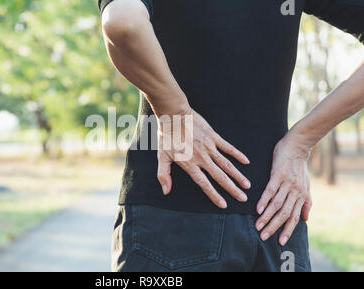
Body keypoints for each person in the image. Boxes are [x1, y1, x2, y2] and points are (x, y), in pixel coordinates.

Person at [98, 0, 364, 272]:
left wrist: (174, 110)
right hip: (275, 211)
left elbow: (123, 21)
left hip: (173, 214)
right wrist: (301, 141)